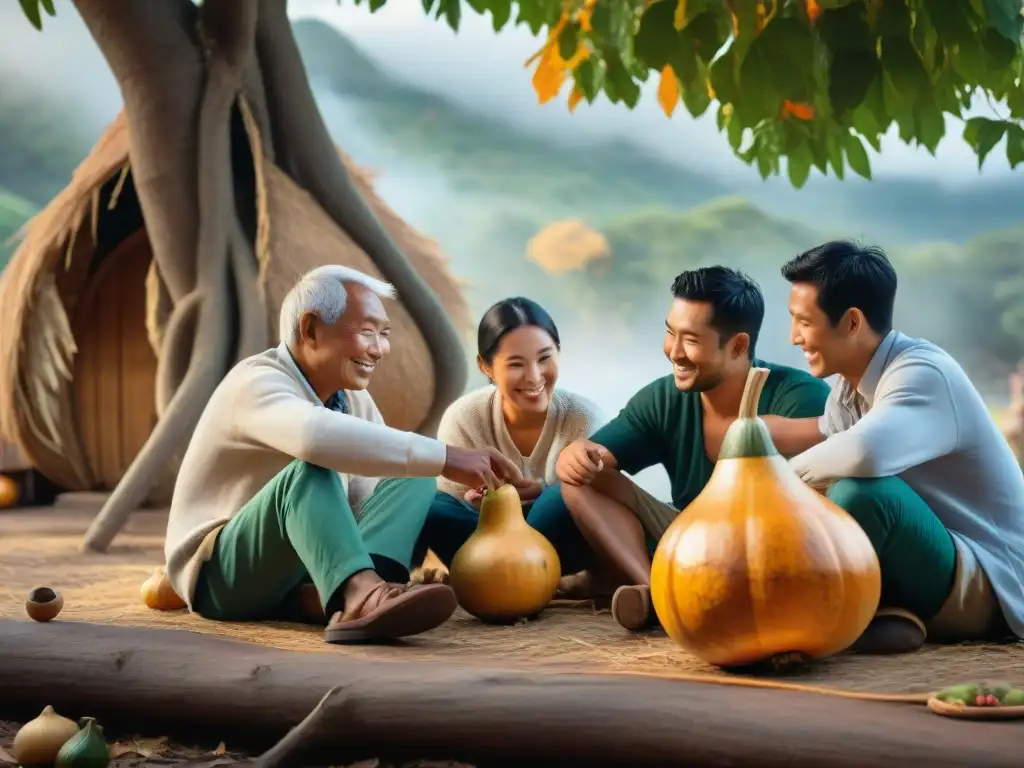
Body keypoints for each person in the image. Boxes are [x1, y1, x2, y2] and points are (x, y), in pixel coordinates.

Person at [163, 265, 522, 645]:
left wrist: (470, 496)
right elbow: (312, 436)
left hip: (307, 566)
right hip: (223, 576)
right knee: (311, 471)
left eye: (384, 335)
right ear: (311, 329)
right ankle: (361, 595)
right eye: (367, 332)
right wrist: (448, 456)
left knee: (413, 474)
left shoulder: (353, 400)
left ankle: (353, 593)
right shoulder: (254, 382)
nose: (379, 350)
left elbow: (370, 493)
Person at [528, 266, 832, 631]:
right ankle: (660, 593)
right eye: (670, 333)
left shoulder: (800, 399)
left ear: (737, 346)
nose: (674, 352)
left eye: (691, 339)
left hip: (769, 553)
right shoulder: (663, 398)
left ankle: (613, 581)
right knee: (578, 485)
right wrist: (575, 456)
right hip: (687, 538)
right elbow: (596, 459)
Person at [782, 241, 1024, 653]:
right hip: (936, 565)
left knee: (863, 493)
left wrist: (772, 483)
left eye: (804, 322)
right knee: (832, 497)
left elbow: (865, 454)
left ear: (853, 322)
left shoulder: (924, 373)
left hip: (992, 581)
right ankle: (888, 614)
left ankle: (816, 619)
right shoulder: (845, 393)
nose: (793, 338)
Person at [420, 297, 606, 570]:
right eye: (516, 364)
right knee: (429, 503)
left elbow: (604, 504)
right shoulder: (464, 417)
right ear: (485, 366)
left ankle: (565, 576)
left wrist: (543, 493)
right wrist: (479, 504)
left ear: (558, 352)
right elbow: (449, 506)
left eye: (544, 358)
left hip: (555, 546)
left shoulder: (584, 419)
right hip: (483, 547)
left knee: (561, 498)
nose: (533, 377)